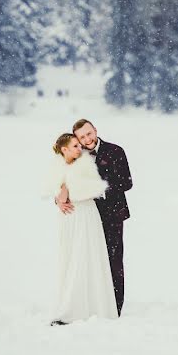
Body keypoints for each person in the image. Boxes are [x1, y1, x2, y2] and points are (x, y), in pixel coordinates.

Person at [58, 119, 132, 316]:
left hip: (112, 214)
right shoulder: (76, 155)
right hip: (86, 216)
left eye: (89, 134)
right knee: (88, 260)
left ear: (95, 131)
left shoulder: (115, 151)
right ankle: (92, 304)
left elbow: (127, 182)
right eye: (82, 137)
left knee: (113, 260)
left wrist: (100, 189)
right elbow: (64, 180)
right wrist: (59, 200)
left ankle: (114, 308)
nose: (87, 139)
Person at [46, 133, 117, 325]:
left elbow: (94, 189)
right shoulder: (57, 166)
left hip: (85, 214)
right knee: (69, 258)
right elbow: (50, 189)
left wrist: (68, 189)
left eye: (79, 145)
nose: (80, 149)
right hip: (68, 218)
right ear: (64, 149)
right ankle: (69, 303)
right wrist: (58, 199)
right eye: (75, 146)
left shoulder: (85, 164)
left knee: (84, 257)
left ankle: (80, 308)